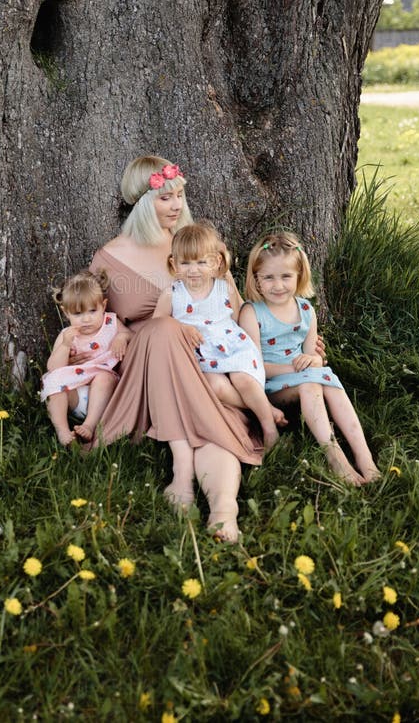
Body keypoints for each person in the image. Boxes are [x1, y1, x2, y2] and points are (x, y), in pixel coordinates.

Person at [82, 155, 269, 543]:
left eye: (179, 196)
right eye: (165, 198)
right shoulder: (109, 257)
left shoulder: (194, 245)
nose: (177, 206)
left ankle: (224, 510)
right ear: (141, 204)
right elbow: (101, 320)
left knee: (218, 429)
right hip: (147, 366)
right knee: (164, 328)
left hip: (201, 360)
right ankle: (182, 474)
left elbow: (233, 310)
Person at [240, 231, 381, 484]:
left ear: (299, 276)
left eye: (286, 276)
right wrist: (295, 369)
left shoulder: (306, 310)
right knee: (310, 383)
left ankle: (365, 458)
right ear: (256, 279)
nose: (278, 285)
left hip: (305, 377)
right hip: (271, 387)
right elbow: (255, 367)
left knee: (328, 382)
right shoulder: (252, 313)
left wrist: (313, 362)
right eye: (269, 278)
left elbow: (313, 357)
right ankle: (335, 457)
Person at [152, 222, 280, 451]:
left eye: (201, 262)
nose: (193, 270)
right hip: (201, 354)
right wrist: (181, 328)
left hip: (232, 346)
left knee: (244, 380)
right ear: (174, 263)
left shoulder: (223, 287)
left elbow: (240, 314)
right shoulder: (172, 294)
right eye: (186, 263)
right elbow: (157, 326)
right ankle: (263, 408)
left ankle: (269, 427)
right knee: (215, 387)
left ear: (215, 263)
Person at [40, 270, 132, 445]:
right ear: (65, 312)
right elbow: (53, 368)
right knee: (52, 381)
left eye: (92, 311)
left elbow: (130, 334)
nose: (86, 319)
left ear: (103, 306)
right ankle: (63, 430)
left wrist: (121, 337)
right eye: (77, 314)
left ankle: (89, 425)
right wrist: (65, 345)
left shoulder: (110, 323)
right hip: (75, 396)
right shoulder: (67, 334)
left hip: (104, 395)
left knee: (104, 377)